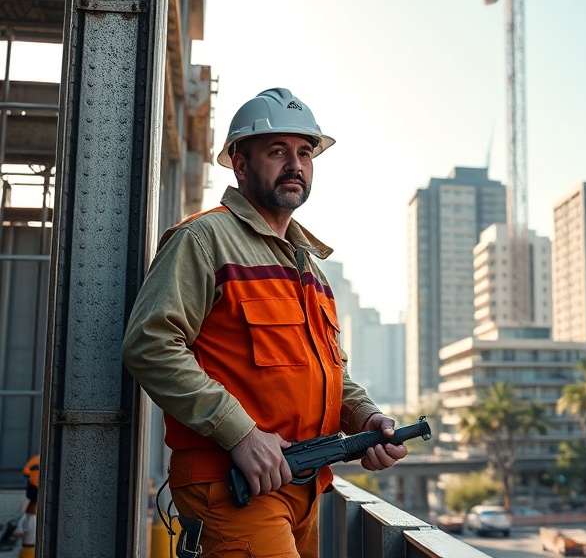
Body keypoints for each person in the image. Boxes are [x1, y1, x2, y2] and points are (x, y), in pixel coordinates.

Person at [122, 88, 407, 557]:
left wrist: (367, 418)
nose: (295, 164)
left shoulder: (308, 266)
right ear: (240, 164)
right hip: (233, 484)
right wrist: (241, 433)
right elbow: (150, 346)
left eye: (304, 153)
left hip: (307, 487)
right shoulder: (203, 240)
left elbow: (331, 369)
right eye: (277, 152)